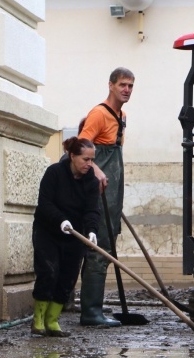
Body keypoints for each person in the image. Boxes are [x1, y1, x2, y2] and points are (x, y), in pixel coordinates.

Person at [78, 67, 135, 327]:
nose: (126, 89)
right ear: (110, 85)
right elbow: (80, 147)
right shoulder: (99, 114)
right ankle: (91, 312)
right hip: (97, 192)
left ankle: (90, 306)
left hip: (112, 193)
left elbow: (116, 155)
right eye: (122, 84)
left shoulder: (122, 116)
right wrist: (97, 171)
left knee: (106, 244)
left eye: (130, 86)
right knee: (98, 248)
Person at [32, 137, 100, 337]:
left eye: (91, 160)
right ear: (72, 156)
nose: (89, 164)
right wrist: (61, 220)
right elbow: (45, 203)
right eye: (85, 159)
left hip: (75, 235)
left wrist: (92, 231)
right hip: (48, 231)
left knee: (67, 278)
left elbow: (92, 210)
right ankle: (38, 320)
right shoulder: (54, 173)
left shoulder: (91, 182)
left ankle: (52, 321)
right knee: (48, 272)